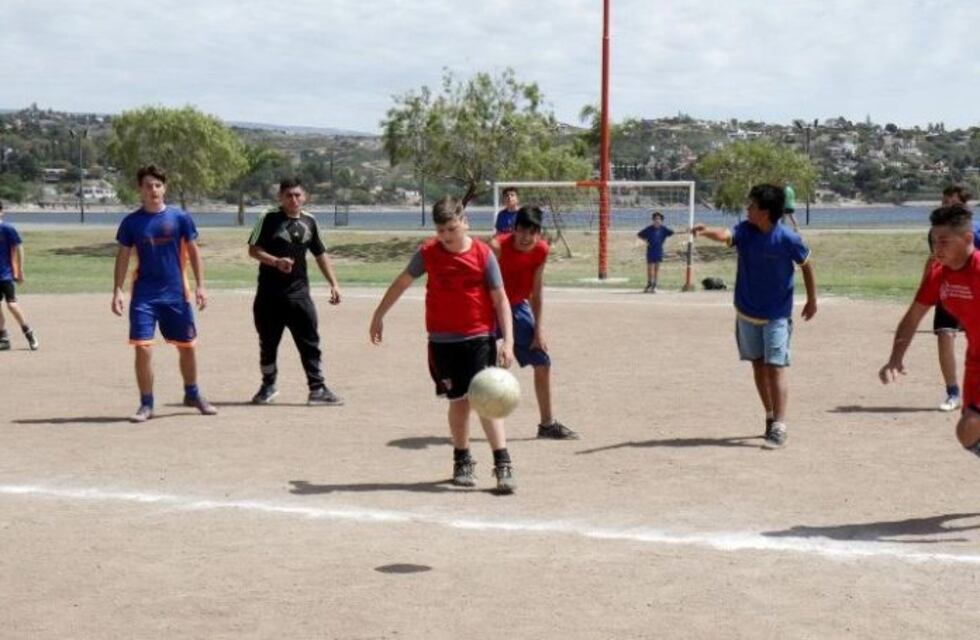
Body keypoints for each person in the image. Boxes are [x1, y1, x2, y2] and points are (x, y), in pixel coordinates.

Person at [370, 196, 517, 494]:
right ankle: (462, 460)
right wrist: (378, 315)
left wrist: (508, 342)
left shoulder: (482, 254)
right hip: (443, 341)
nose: (447, 236)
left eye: (452, 228)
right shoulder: (428, 253)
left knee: (486, 399)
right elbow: (401, 282)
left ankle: (503, 464)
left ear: (464, 222)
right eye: (441, 231)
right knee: (459, 402)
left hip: (479, 337)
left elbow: (500, 298)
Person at [692, 184, 817, 448]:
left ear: (765, 212)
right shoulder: (745, 231)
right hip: (747, 312)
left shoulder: (787, 239)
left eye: (751, 206)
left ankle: (781, 426)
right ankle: (770, 417)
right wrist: (705, 231)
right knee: (759, 366)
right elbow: (725, 234)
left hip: (777, 315)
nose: (747, 209)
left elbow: (806, 265)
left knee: (776, 367)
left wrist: (812, 300)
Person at [111, 165, 217, 423]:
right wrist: (117, 290)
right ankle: (146, 404)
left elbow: (193, 252)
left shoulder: (180, 218)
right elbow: (123, 257)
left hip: (176, 294)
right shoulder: (131, 223)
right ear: (140, 190)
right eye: (148, 185)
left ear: (164, 188)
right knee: (143, 348)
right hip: (144, 295)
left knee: (187, 347)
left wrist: (201, 285)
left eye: (157, 185)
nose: (153, 190)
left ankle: (192, 394)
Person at [880, 204, 980, 457]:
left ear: (967, 239)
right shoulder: (939, 274)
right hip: (976, 360)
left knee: (971, 424)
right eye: (934, 240)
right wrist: (895, 357)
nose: (937, 247)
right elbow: (913, 317)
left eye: (944, 241)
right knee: (967, 433)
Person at [247, 178, 343, 406]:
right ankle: (268, 386)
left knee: (310, 342)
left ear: (305, 197)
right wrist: (275, 261)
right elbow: (253, 250)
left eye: (298, 195)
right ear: (280, 197)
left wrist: (334, 283)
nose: (294, 199)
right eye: (288, 195)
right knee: (267, 343)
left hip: (299, 295)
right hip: (269, 295)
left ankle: (317, 389)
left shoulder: (310, 221)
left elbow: (320, 254)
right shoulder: (268, 218)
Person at [490, 205, 578, 440]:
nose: (527, 237)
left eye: (533, 232)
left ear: (538, 233)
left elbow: (536, 292)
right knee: (480, 366)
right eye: (522, 230)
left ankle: (547, 424)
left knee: (542, 361)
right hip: (487, 308)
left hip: (517, 307)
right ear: (514, 229)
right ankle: (475, 423)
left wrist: (538, 329)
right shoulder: (497, 247)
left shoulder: (541, 250)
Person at [925, 184, 976, 412]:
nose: (945, 206)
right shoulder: (935, 233)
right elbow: (936, 262)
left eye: (951, 203)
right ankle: (953, 392)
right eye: (943, 202)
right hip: (949, 292)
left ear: (963, 206)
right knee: (944, 335)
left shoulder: (975, 231)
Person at [0, 200, 39, 351]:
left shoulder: (7, 228)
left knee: (11, 305)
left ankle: (29, 333)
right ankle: (3, 338)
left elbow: (19, 247)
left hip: (6, 274)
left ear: (2, 212)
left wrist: (20, 269)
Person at [636, 211, 675, 293]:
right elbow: (639, 234)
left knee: (657, 268)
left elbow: (672, 233)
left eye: (659, 219)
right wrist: (645, 241)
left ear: (661, 221)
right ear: (653, 220)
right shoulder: (648, 229)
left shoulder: (664, 229)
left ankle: (655, 284)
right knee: (650, 268)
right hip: (650, 250)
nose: (657, 221)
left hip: (659, 250)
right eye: (655, 219)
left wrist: (686, 231)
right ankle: (649, 283)